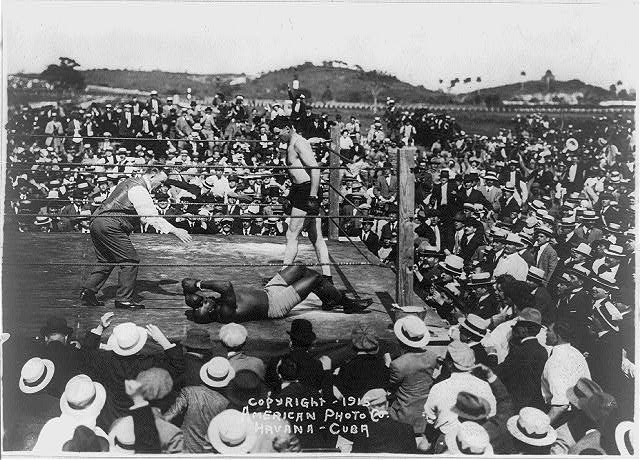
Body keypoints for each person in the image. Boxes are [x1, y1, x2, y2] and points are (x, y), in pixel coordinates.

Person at [80, 168, 193, 310]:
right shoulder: (140, 190)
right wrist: (175, 230)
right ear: (152, 176)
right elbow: (150, 216)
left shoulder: (128, 182)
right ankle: (124, 300)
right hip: (111, 224)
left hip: (97, 221)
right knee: (130, 260)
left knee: (106, 259)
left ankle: (88, 291)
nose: (163, 186)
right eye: (161, 181)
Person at [181, 265, 371, 324]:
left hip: (269, 291)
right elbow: (226, 285)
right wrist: (199, 284)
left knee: (300, 268)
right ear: (207, 313)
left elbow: (190, 293)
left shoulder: (215, 306)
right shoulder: (225, 312)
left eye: (203, 298)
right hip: (276, 305)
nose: (206, 299)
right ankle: (347, 304)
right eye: (204, 302)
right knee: (315, 279)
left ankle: (328, 301)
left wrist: (190, 289)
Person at [270, 117, 333, 283]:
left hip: (306, 191)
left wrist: (312, 196)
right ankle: (327, 276)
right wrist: (291, 195)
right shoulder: (295, 141)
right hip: (300, 190)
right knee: (316, 236)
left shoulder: (298, 143)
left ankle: (283, 277)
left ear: (287, 129)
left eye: (278, 133)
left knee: (292, 234)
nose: (277, 137)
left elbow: (315, 170)